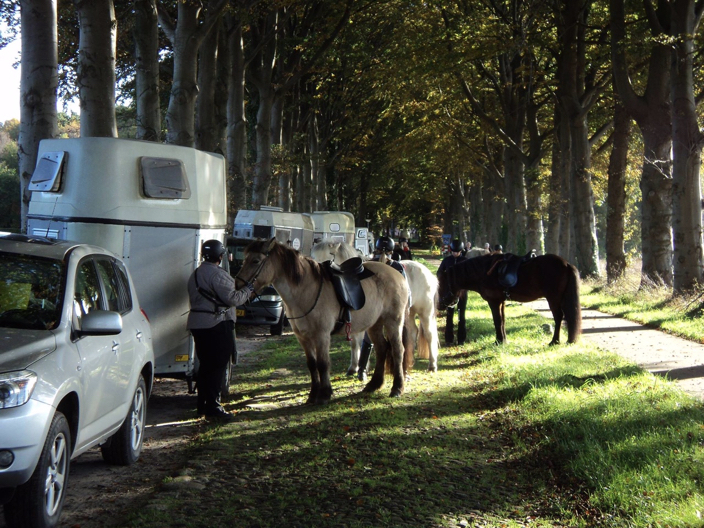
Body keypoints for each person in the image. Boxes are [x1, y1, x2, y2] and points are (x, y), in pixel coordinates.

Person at [187, 239, 256, 420]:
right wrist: (248, 290)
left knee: (206, 366)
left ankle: (202, 405)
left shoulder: (195, 274)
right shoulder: (218, 274)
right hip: (216, 324)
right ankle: (213, 407)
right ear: (220, 256)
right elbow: (233, 298)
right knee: (217, 366)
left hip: (197, 324)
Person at [357, 235, 408, 380]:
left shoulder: (368, 265)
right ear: (392, 251)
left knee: (368, 338)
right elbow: (405, 289)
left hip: (372, 305)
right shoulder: (397, 266)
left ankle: (362, 368)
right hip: (392, 306)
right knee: (397, 337)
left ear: (376, 249)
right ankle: (401, 370)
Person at [437, 239, 468, 347]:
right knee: (449, 316)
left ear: (461, 251)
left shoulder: (465, 260)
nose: (455, 254)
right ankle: (449, 339)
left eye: (457, 252)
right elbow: (439, 272)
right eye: (454, 252)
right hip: (450, 292)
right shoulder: (447, 260)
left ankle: (461, 339)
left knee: (461, 316)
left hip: (462, 292)